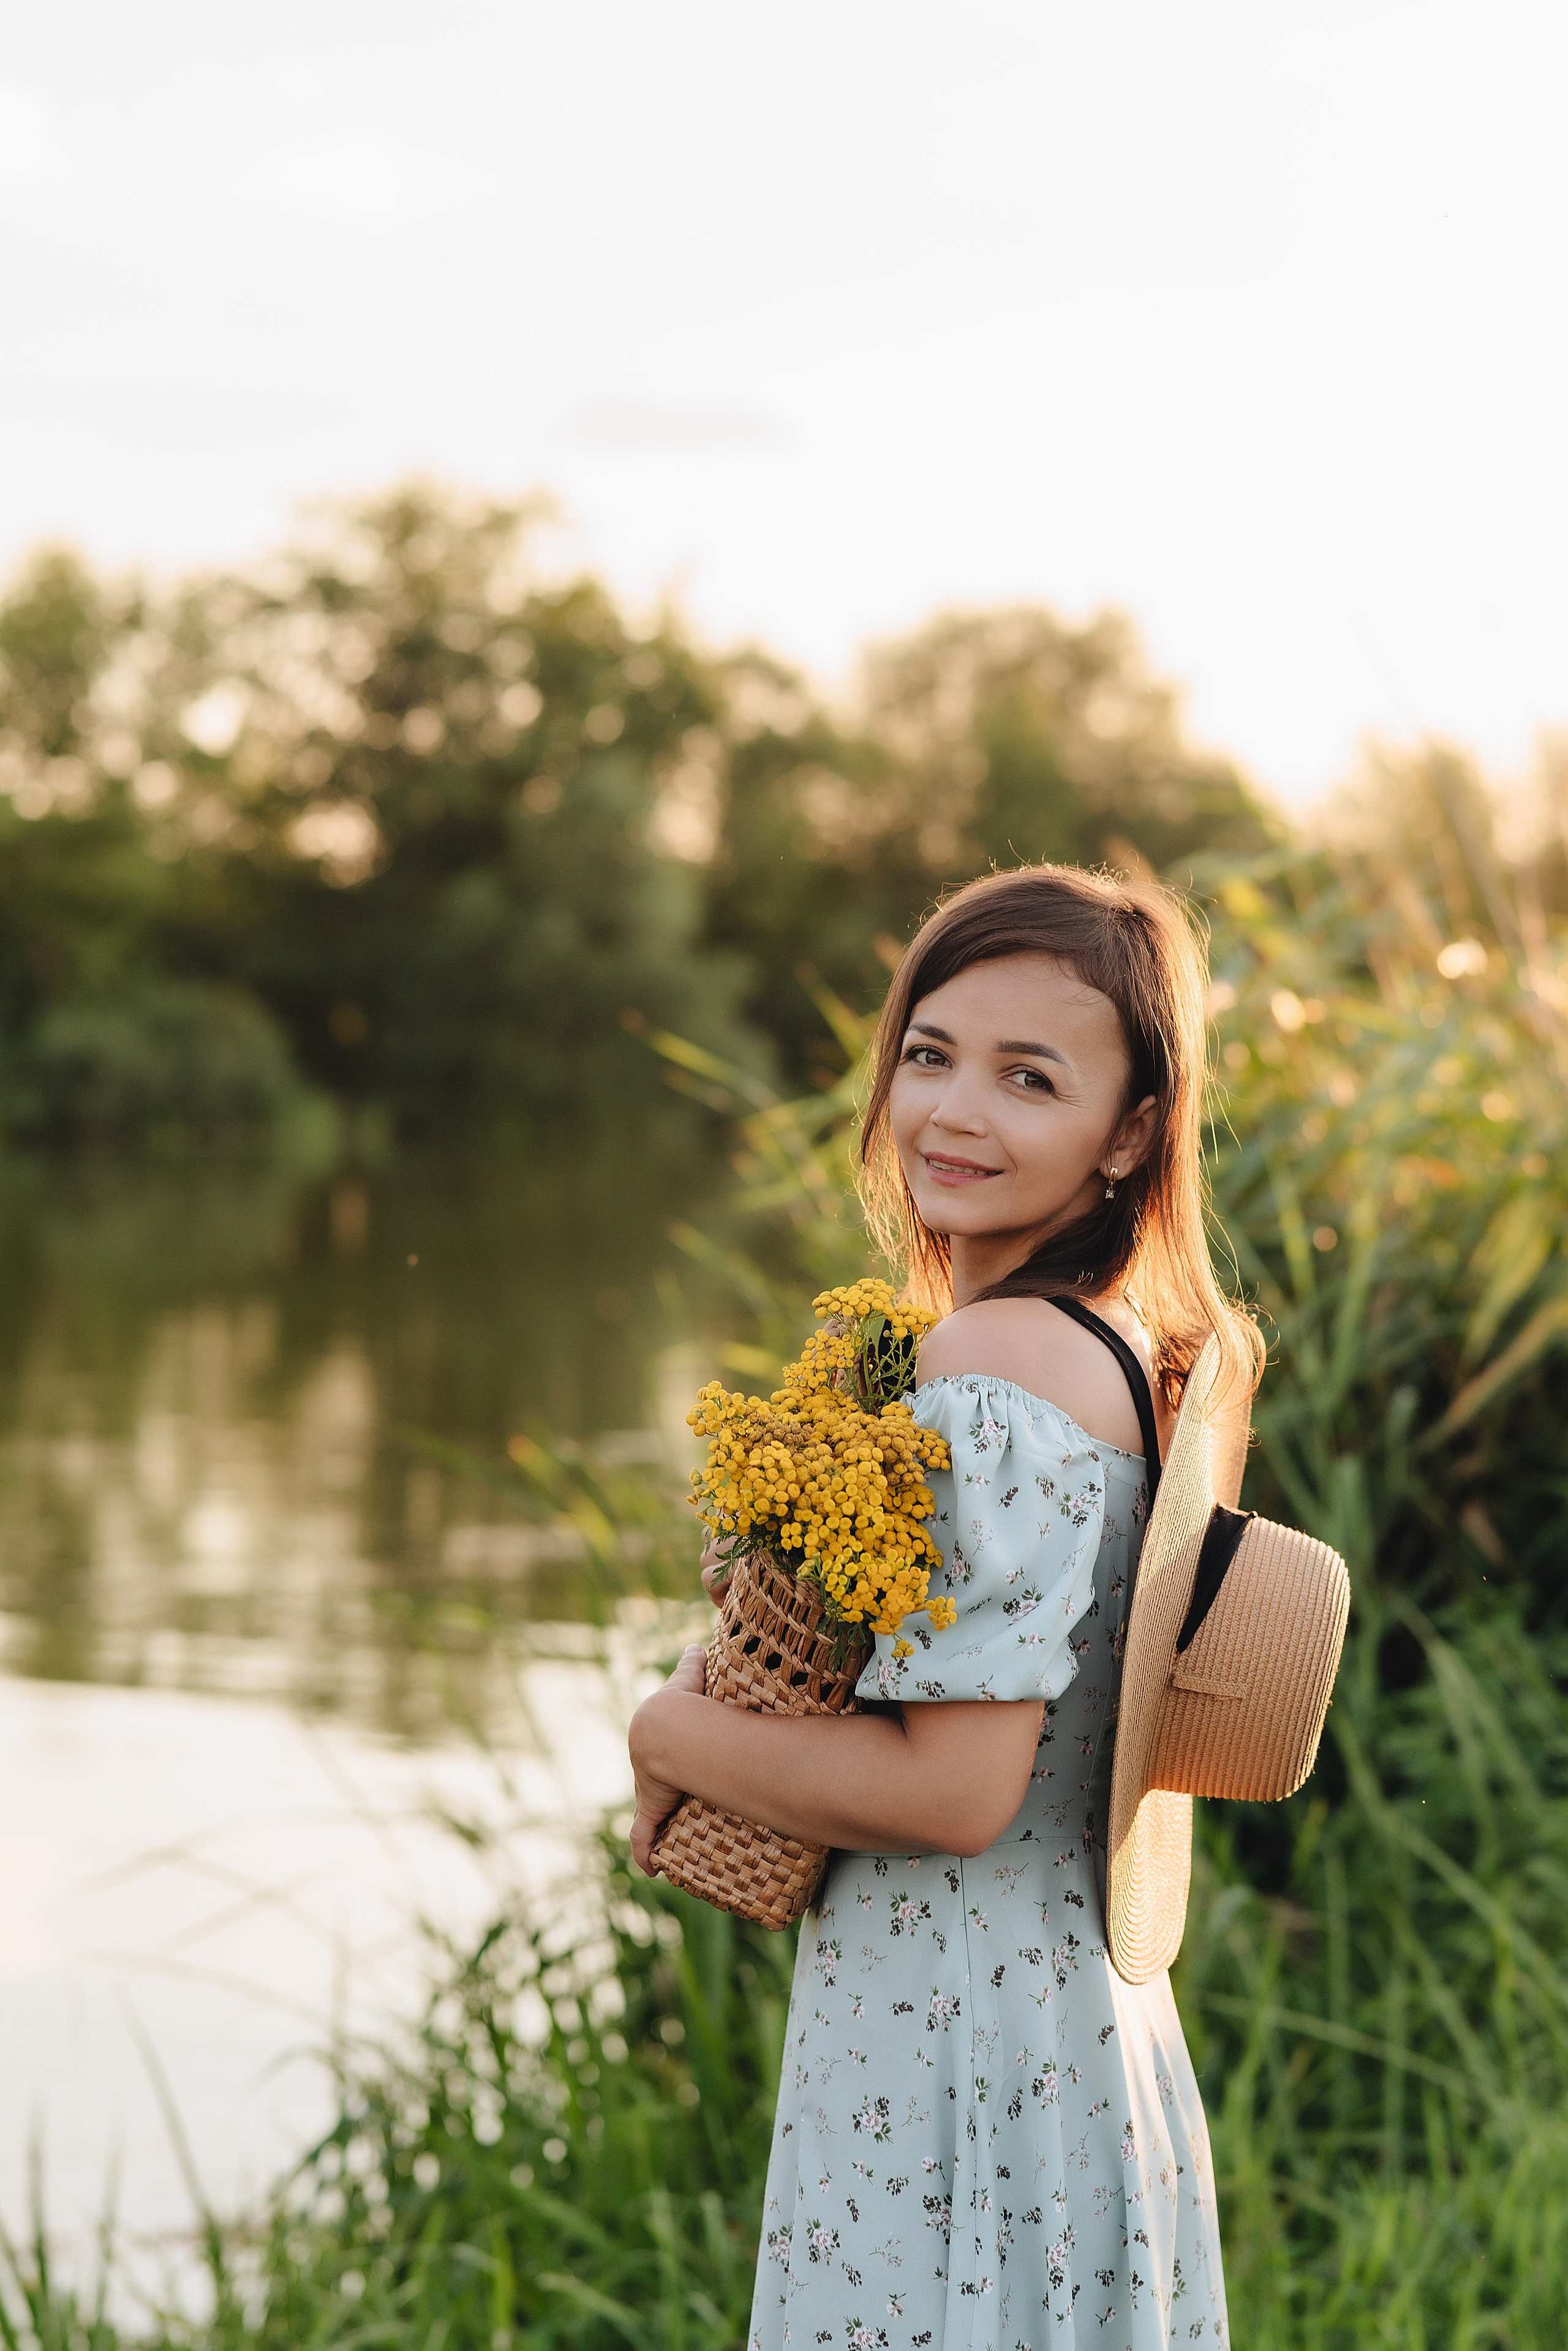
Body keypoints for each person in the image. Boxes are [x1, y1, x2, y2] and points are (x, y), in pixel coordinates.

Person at [628, 864, 1262, 2351]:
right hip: (1069, 2030)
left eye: (1027, 1077)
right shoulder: (1117, 1345)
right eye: (928, 1054)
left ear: (1129, 1133)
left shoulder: (993, 1366)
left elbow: (955, 1791)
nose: (953, 1111)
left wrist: (668, 1729)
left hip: (954, 2053)